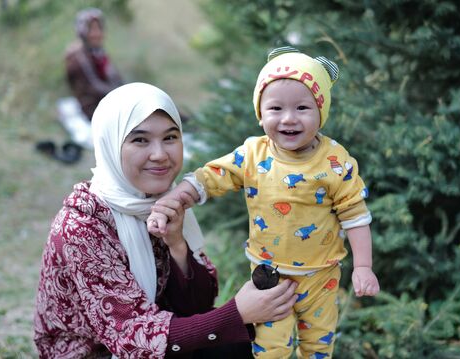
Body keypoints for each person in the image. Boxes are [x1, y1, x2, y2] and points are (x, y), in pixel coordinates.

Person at [34, 82, 298, 358]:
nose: (160, 155)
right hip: (98, 354)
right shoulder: (82, 226)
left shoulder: (159, 201)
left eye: (170, 137)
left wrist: (177, 246)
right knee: (231, 330)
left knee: (245, 342)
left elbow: (198, 306)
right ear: (110, 144)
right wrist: (237, 313)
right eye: (140, 140)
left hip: (152, 342)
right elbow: (131, 338)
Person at [147, 46, 380, 358]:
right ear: (260, 113)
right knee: (270, 349)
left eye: (302, 108)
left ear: (321, 111)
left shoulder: (336, 162)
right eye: (275, 109)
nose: (288, 119)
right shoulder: (253, 155)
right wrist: (176, 197)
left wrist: (363, 266)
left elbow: (355, 215)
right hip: (269, 278)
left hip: (321, 278)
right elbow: (212, 176)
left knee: (319, 346)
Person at [65, 7, 123, 121]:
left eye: (99, 29)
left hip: (107, 105)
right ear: (82, 31)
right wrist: (120, 96)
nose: (96, 34)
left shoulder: (99, 53)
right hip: (91, 111)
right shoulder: (76, 56)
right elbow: (92, 87)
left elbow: (115, 79)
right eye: (91, 29)